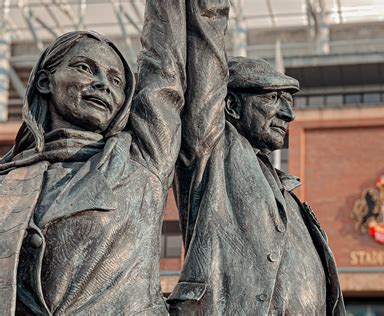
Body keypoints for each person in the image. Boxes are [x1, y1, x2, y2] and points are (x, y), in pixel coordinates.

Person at [0, 1, 186, 314]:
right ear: (46, 81)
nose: (102, 84)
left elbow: (165, 70)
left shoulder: (141, 163)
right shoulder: (7, 181)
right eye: (86, 68)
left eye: (116, 81)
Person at [169, 3, 345, 315]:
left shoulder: (285, 191)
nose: (288, 114)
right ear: (231, 106)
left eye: (288, 101)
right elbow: (203, 58)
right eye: (272, 98)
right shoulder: (212, 153)